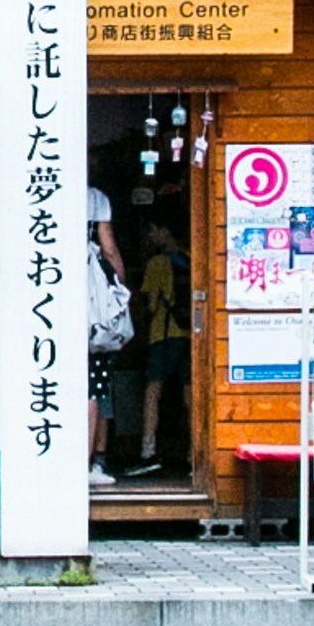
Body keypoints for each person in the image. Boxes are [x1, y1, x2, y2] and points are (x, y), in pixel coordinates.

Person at [123, 219, 191, 477]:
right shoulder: (190, 259)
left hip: (164, 334)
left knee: (153, 390)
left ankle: (148, 452)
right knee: (189, 394)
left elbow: (152, 305)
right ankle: (193, 453)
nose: (151, 236)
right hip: (189, 335)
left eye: (153, 230)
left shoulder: (157, 263)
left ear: (165, 231)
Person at [86, 183, 125, 487]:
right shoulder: (96, 198)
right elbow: (109, 249)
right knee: (94, 386)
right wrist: (121, 292)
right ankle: (90, 462)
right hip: (92, 302)